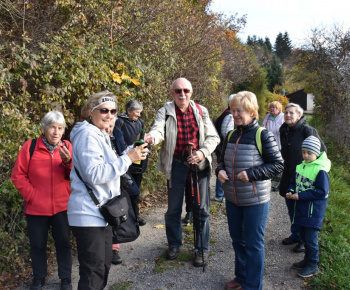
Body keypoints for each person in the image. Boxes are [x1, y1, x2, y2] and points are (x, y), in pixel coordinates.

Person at [68, 91, 147, 290]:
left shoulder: (101, 134)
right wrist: (128, 158)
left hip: (102, 214)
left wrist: (131, 151)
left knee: (101, 269)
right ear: (90, 111)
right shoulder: (87, 135)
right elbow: (94, 174)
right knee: (93, 273)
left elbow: (112, 165)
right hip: (88, 213)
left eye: (113, 111)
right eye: (104, 110)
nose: (109, 115)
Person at [145, 77, 220, 266]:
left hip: (199, 167)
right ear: (172, 93)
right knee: (173, 209)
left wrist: (202, 153)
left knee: (201, 209)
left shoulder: (201, 111)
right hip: (176, 165)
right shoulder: (165, 111)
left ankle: (201, 249)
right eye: (178, 91)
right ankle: (174, 244)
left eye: (186, 90)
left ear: (191, 92)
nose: (182, 94)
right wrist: (152, 138)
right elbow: (158, 130)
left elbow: (213, 137)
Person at [216, 91, 283, 290]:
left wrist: (252, 173)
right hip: (232, 198)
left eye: (240, 111)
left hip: (256, 200)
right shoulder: (230, 135)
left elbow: (278, 164)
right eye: (233, 110)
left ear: (252, 112)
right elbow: (221, 161)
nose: (235, 114)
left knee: (253, 244)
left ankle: (253, 285)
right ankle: (241, 277)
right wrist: (219, 171)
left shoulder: (262, 135)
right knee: (238, 240)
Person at [11, 111, 73, 290]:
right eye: (53, 127)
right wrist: (32, 196)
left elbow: (75, 176)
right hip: (36, 208)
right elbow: (18, 175)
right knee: (37, 244)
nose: (56, 132)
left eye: (60, 128)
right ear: (43, 128)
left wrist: (68, 161)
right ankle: (38, 278)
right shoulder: (30, 147)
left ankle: (66, 278)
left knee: (64, 243)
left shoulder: (67, 146)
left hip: (62, 206)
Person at [279, 103, 326, 254]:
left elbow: (322, 152)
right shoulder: (284, 129)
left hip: (305, 178)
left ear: (299, 115)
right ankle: (295, 235)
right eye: (286, 112)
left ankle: (303, 241)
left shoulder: (308, 130)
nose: (288, 115)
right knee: (291, 208)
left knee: (302, 211)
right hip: (289, 176)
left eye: (292, 113)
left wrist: (317, 172)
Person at [286, 136, 331, 278]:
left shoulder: (321, 170)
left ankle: (313, 264)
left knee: (311, 240)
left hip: (313, 212)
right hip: (301, 209)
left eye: (309, 153)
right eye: (304, 152)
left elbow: (322, 191)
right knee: (304, 237)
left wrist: (301, 196)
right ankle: (307, 260)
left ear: (316, 153)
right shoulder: (300, 166)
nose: (305, 155)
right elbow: (294, 181)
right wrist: (291, 190)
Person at [115, 99, 147, 226]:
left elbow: (142, 140)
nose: (139, 115)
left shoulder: (141, 122)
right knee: (124, 191)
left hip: (138, 162)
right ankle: (124, 217)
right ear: (128, 111)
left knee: (136, 191)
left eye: (140, 112)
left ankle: (136, 216)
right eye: (137, 112)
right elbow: (118, 142)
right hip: (124, 161)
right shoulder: (120, 122)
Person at [213, 93, 235, 202]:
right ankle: (219, 194)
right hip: (223, 147)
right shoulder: (230, 115)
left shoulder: (225, 114)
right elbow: (227, 133)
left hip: (220, 145)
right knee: (223, 169)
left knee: (222, 168)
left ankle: (220, 193)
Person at [262, 101, 284, 190]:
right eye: (271, 107)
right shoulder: (267, 117)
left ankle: (276, 185)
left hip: (281, 145)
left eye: (274, 107)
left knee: (279, 164)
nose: (272, 109)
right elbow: (263, 127)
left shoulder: (283, 117)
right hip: (269, 145)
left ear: (279, 109)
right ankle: (269, 183)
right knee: (270, 163)